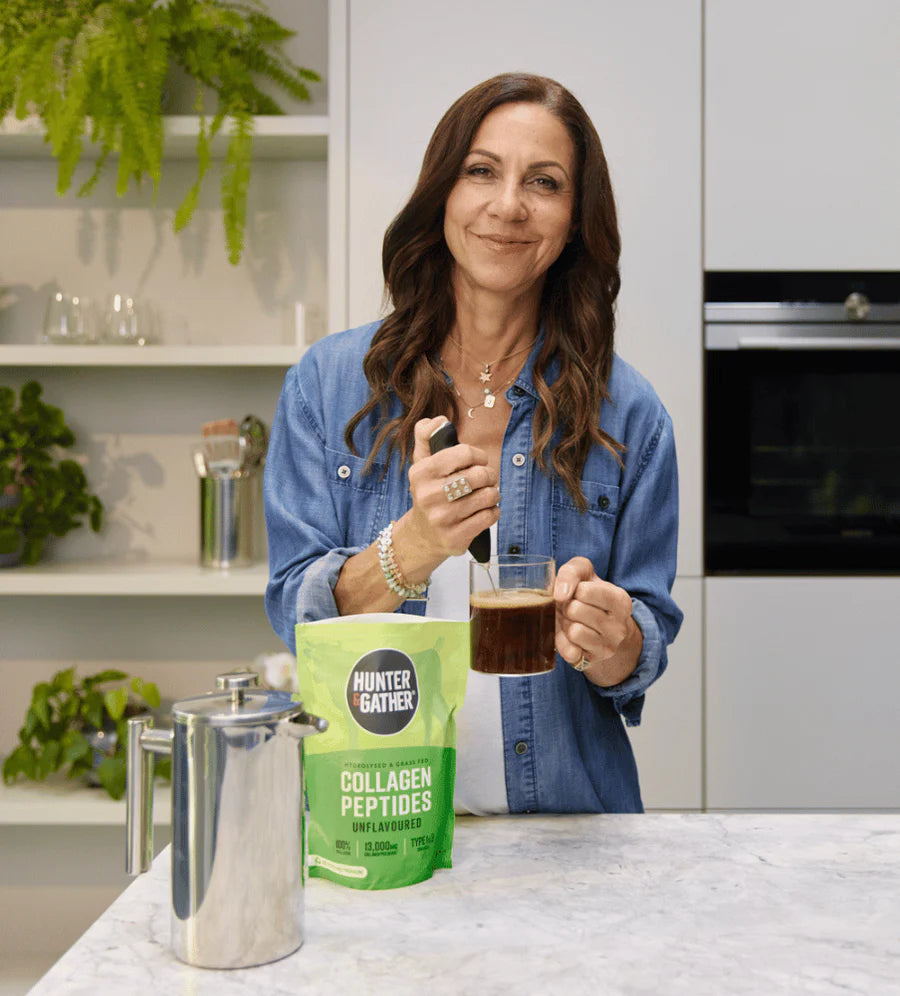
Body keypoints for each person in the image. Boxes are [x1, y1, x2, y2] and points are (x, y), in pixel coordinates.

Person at [264, 72, 683, 814]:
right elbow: (299, 626)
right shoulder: (328, 387)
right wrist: (415, 547)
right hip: (375, 828)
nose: (508, 204)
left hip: (569, 841)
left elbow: (640, 650)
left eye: (544, 182)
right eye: (481, 171)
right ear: (443, 195)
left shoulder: (631, 414)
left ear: (575, 220)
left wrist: (611, 639)